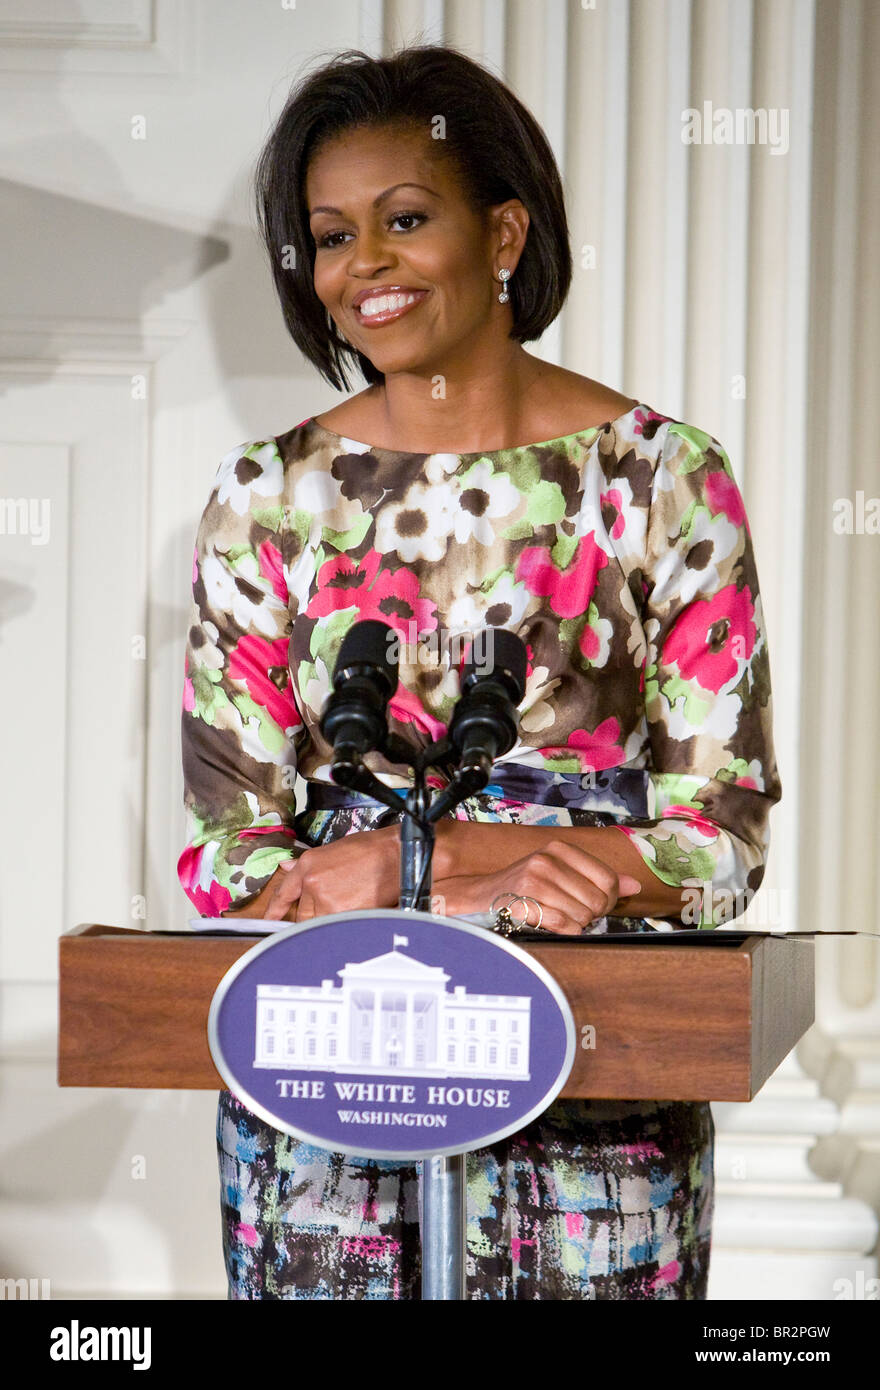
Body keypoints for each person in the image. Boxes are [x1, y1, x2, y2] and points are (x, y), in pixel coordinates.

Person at [177, 43, 781, 1300]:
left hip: (592, 1096)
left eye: (406, 219)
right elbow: (229, 850)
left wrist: (450, 867)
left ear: (503, 232)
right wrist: (411, 881)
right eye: (332, 236)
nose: (364, 267)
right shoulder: (266, 497)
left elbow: (720, 831)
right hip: (328, 1094)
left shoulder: (661, 481)